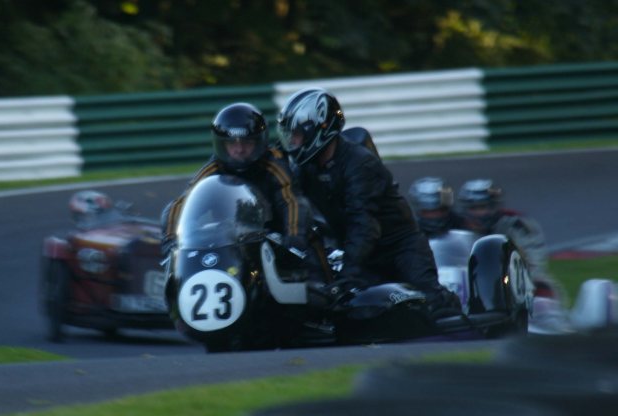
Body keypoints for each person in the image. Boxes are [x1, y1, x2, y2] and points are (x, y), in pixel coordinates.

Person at [277, 88, 462, 318]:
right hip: (358, 251)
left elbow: (363, 223)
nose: (292, 143)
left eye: (297, 136)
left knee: (432, 304)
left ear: (318, 130)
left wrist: (349, 273)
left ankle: (459, 318)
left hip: (400, 248)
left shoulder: (360, 164)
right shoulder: (307, 165)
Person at [161, 102, 316, 272]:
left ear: (259, 142)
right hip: (226, 246)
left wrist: (293, 240)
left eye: (247, 143)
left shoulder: (274, 166)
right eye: (232, 143)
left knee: (310, 264)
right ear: (222, 144)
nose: (239, 149)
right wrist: (171, 242)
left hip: (275, 244)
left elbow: (292, 201)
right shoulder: (213, 169)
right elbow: (183, 203)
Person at [456, 178, 558, 297]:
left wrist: (521, 277)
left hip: (514, 280)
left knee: (543, 289)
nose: (479, 213)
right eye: (473, 208)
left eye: (483, 207)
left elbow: (534, 259)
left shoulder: (518, 224)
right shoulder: (456, 227)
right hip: (469, 282)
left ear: (495, 206)